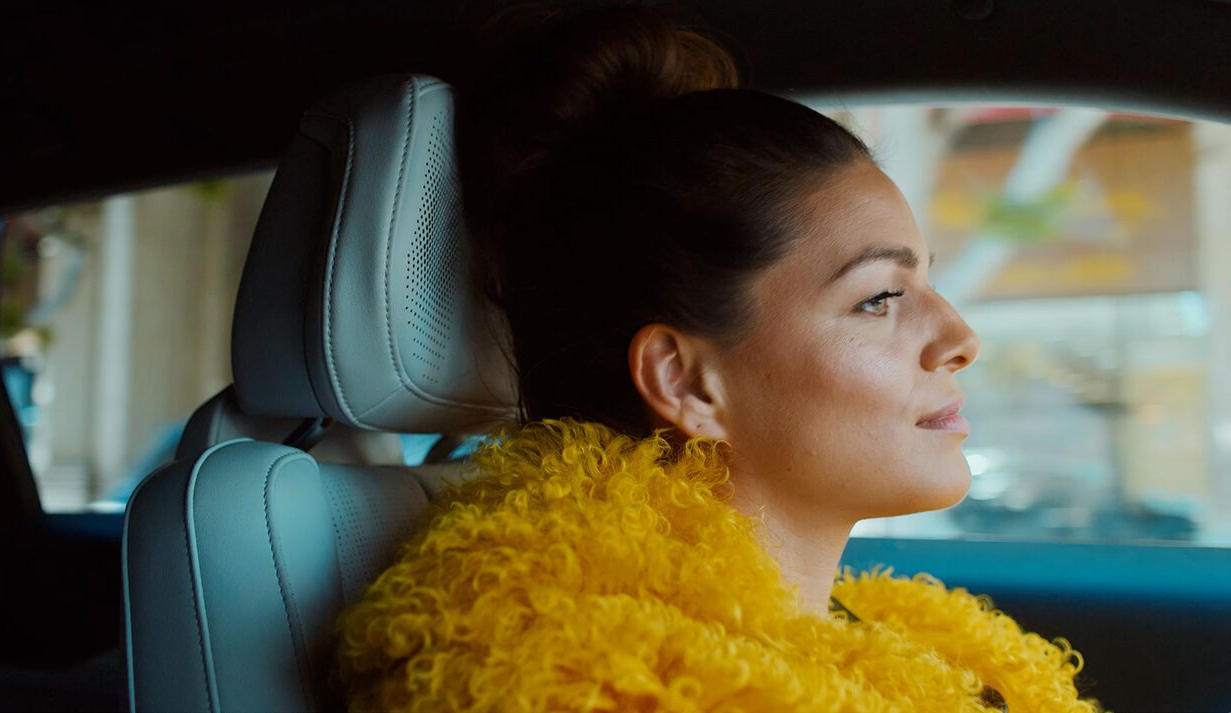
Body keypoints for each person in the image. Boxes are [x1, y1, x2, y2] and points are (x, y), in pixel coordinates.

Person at [336, 5, 1104, 711]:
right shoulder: (573, 672)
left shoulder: (895, 639)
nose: (960, 338)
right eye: (879, 298)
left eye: (926, 282)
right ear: (686, 380)